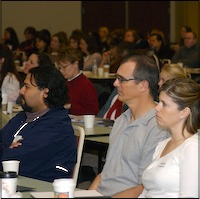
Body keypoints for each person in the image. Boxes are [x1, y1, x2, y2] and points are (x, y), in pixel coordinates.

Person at [89, 54, 169, 197]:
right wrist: (89, 194)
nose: (115, 84)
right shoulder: (121, 119)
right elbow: (106, 173)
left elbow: (145, 187)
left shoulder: (157, 127)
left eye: (122, 79)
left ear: (143, 86)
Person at [0, 66, 77, 183]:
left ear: (45, 92)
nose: (21, 91)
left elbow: (14, 161)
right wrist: (7, 148)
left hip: (42, 189)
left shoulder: (56, 127)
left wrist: (7, 149)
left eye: (27, 87)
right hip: (15, 183)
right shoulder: (24, 116)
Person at [138, 77, 199, 198]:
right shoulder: (163, 144)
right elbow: (146, 192)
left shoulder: (192, 148)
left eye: (164, 104)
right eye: (159, 101)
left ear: (184, 112)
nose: (157, 107)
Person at [56, 46, 99, 115]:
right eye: (59, 68)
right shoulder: (64, 82)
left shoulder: (86, 86)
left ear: (76, 64)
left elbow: (93, 112)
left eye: (64, 67)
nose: (61, 71)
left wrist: (71, 107)